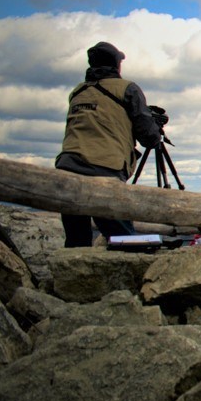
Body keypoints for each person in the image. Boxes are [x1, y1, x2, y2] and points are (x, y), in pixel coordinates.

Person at [55, 41, 163, 247]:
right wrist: (154, 125)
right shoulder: (127, 89)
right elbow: (149, 137)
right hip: (105, 169)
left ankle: (74, 278)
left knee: (76, 239)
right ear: (116, 64)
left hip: (67, 169)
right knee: (124, 238)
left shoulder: (78, 92)